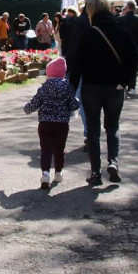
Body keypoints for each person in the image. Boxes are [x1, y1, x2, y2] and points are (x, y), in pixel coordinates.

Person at [68, 0, 138, 185]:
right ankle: (113, 163)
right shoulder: (122, 32)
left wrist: (71, 89)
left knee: (93, 130)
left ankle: (95, 172)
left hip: (91, 87)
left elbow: (77, 65)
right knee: (113, 126)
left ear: (91, 12)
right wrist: (125, 82)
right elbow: (134, 59)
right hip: (115, 87)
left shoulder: (88, 34)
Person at [23, 57, 80, 189]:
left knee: (46, 149)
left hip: (45, 123)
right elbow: (74, 105)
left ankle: (45, 174)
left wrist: (27, 109)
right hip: (61, 124)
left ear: (49, 73)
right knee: (59, 149)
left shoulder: (44, 87)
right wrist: (76, 102)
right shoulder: (68, 87)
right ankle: (58, 173)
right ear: (63, 73)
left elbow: (35, 102)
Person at [117, 0, 138, 95]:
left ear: (127, 8)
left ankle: (123, 85)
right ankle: (132, 87)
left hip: (123, 47)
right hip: (137, 47)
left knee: (123, 67)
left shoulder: (120, 19)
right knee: (134, 68)